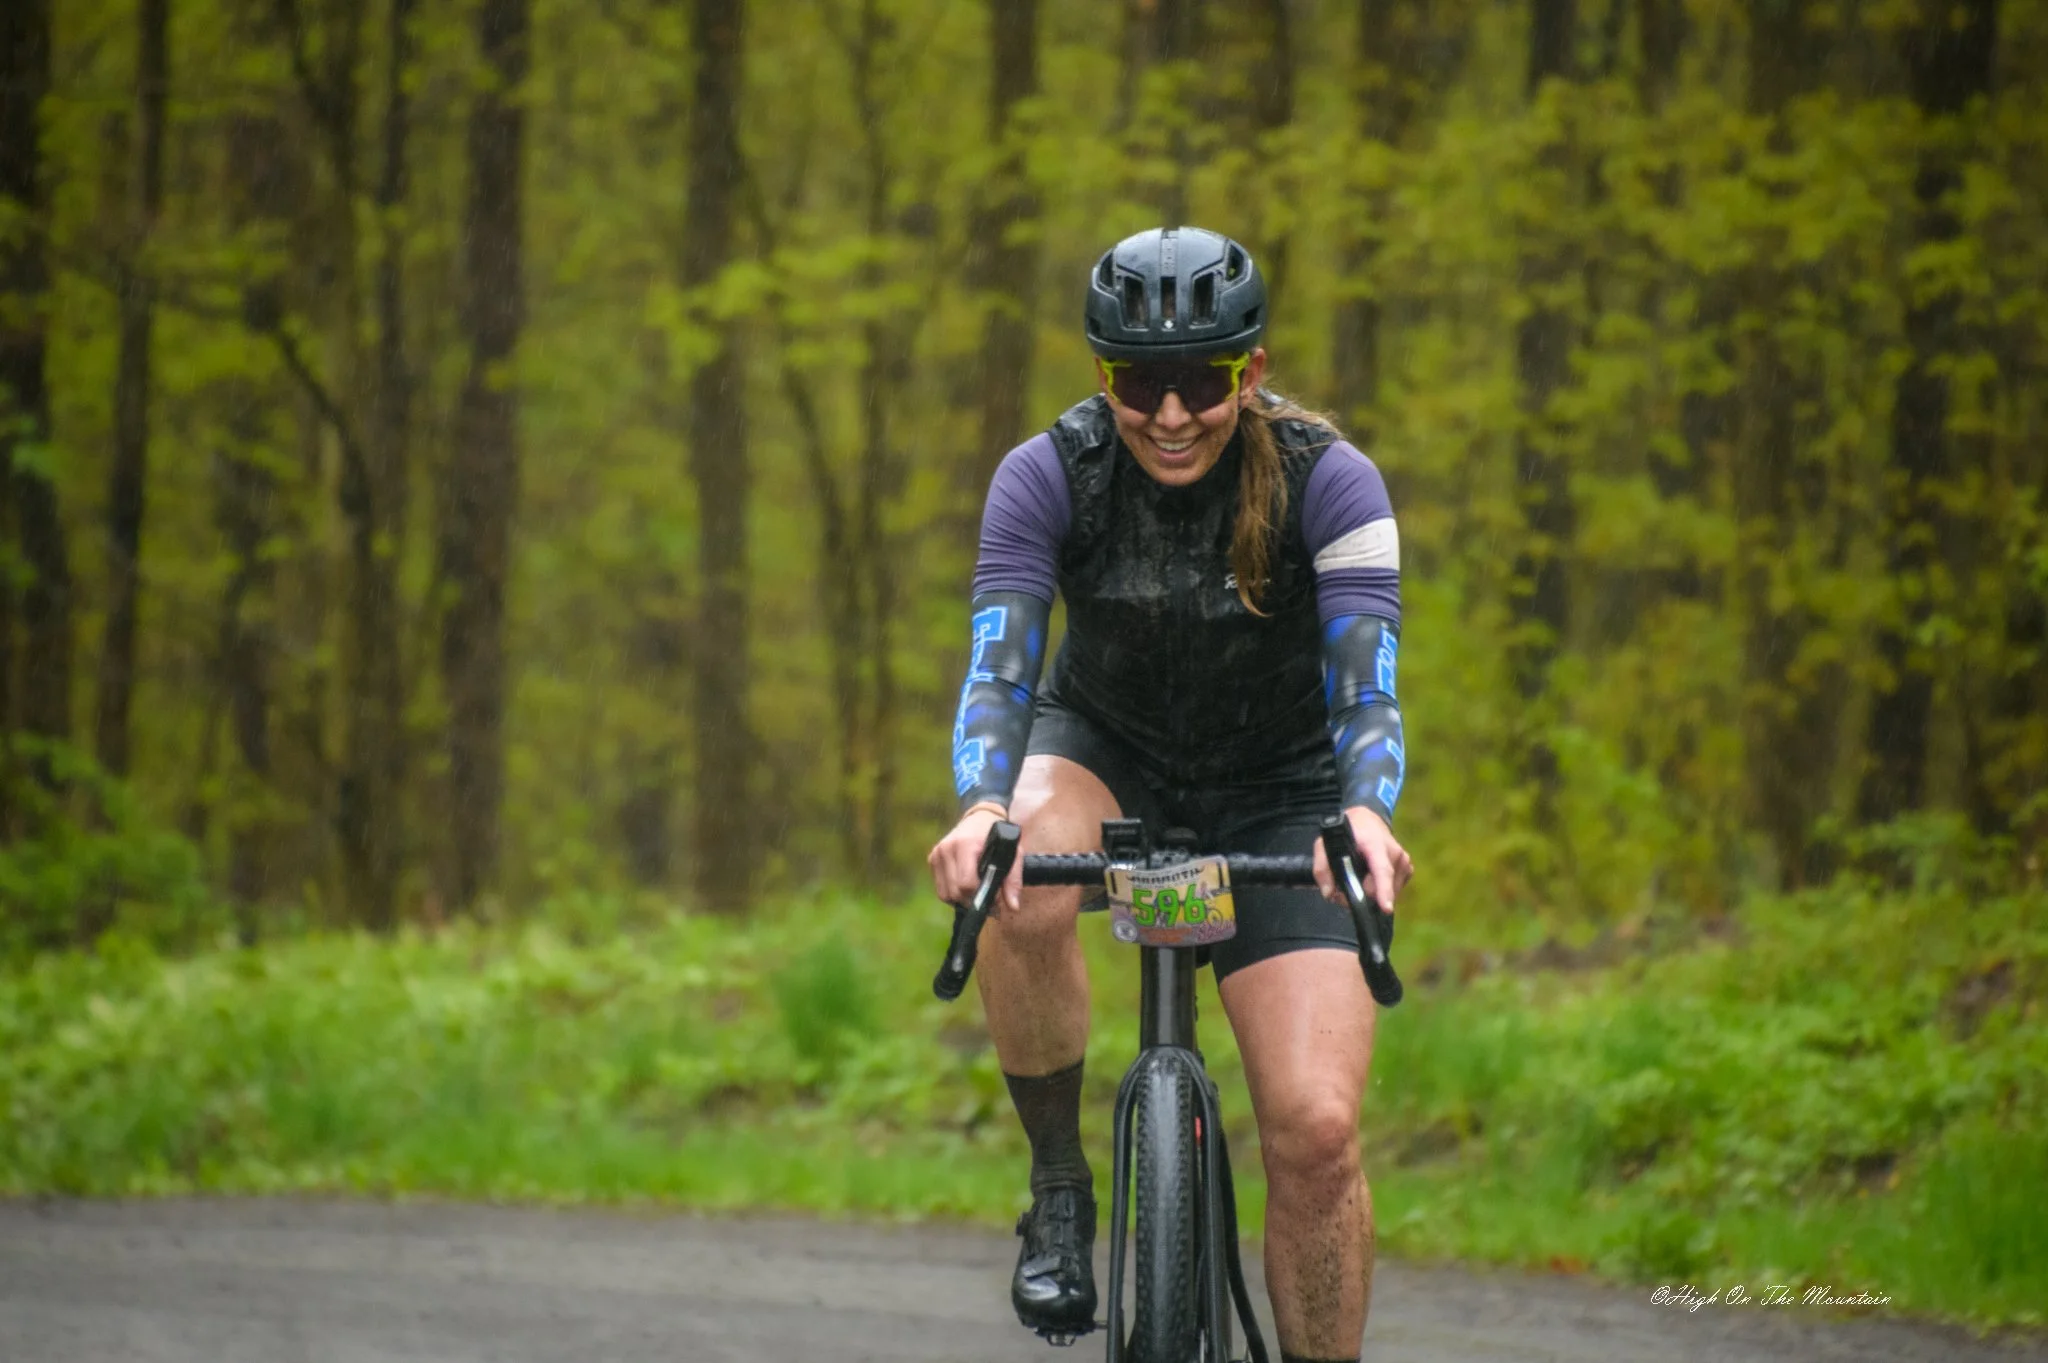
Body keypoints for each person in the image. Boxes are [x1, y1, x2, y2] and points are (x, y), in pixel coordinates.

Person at [927, 226, 1412, 1363]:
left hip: (1283, 789)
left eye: (1202, 381)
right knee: (1015, 877)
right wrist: (977, 808)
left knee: (1317, 1131)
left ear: (1250, 371)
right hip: (1106, 753)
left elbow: (1365, 690)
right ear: (1103, 379)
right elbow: (999, 666)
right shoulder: (1047, 473)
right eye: (1139, 383)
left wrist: (1368, 811)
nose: (1171, 413)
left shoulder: (1330, 480)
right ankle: (1057, 1189)